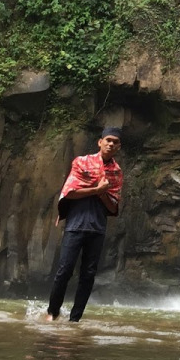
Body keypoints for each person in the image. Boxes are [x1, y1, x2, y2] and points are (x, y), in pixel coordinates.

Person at [46, 125, 123, 322]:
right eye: (108, 140)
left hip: (97, 228)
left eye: (115, 142)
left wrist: (102, 191)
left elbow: (113, 207)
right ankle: (52, 313)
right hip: (75, 225)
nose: (111, 144)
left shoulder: (116, 172)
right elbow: (70, 192)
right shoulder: (82, 162)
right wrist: (96, 190)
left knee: (88, 275)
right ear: (100, 142)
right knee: (65, 270)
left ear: (119, 147)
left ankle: (75, 319)